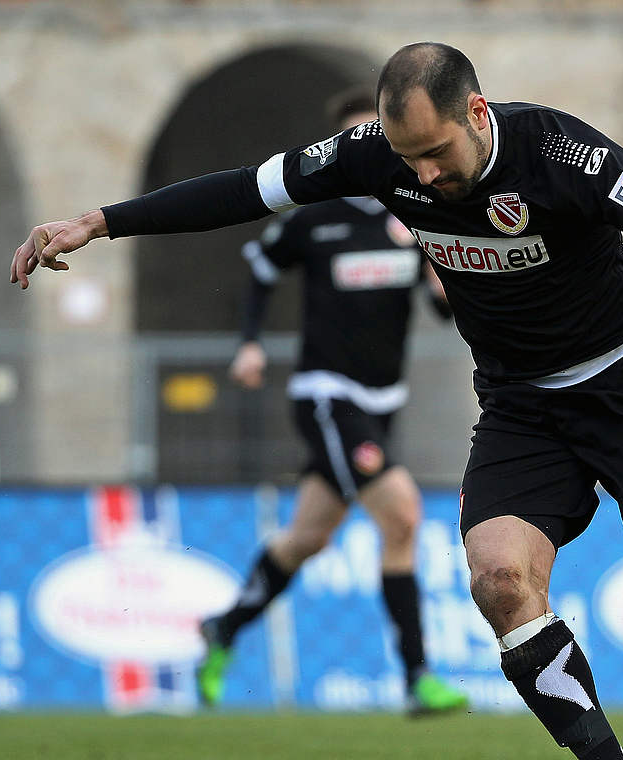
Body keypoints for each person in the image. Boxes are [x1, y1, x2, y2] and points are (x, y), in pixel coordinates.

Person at [10, 42, 623, 760]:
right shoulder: (374, 158)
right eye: (406, 159)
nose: (423, 177)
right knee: (501, 579)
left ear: (477, 113)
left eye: (436, 153)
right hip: (519, 404)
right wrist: (100, 220)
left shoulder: (562, 154)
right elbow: (244, 189)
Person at [194, 91, 467, 714]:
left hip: (383, 400)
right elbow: (261, 269)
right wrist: (249, 345)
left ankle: (225, 627)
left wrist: (443, 287)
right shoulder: (312, 218)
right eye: (355, 138)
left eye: (379, 135)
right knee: (400, 516)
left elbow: (441, 310)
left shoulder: (413, 219)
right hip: (327, 396)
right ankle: (417, 678)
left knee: (306, 538)